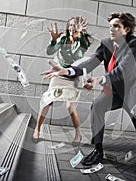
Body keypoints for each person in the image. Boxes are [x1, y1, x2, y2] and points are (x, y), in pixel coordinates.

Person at [42, 12, 136, 165]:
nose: (111, 29)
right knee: (97, 106)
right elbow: (91, 61)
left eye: (116, 26)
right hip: (114, 93)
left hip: (133, 97)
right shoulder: (106, 44)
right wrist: (69, 71)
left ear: (127, 30)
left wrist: (100, 79)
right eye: (110, 26)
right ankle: (98, 150)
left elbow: (123, 70)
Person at [32, 16, 92, 145]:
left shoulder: (83, 42)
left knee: (70, 107)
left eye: (75, 26)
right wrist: (53, 40)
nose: (72, 28)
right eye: (70, 25)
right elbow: (50, 51)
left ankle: (78, 133)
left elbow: (81, 51)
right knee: (47, 102)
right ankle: (37, 129)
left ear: (80, 29)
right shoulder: (63, 38)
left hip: (72, 76)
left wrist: (80, 35)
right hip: (58, 73)